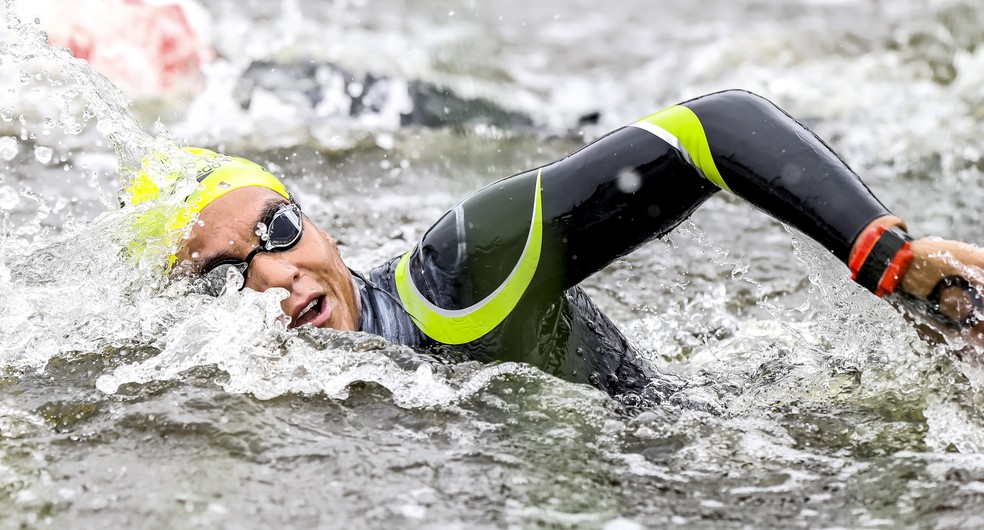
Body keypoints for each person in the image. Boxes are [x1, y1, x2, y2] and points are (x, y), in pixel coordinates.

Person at [126, 89, 984, 402]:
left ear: (312, 219)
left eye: (277, 229)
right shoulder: (228, 400)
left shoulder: (457, 274)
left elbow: (709, 129)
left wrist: (887, 256)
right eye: (221, 280)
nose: (275, 276)